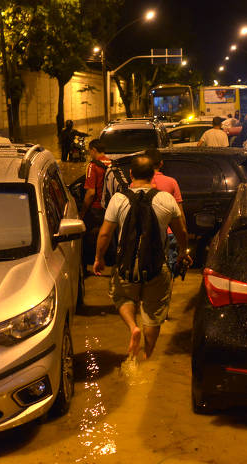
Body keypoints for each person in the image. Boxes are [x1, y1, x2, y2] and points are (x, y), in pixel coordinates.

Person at [93, 156, 192, 359]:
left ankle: (132, 327)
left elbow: (105, 234)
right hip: (158, 266)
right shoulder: (166, 199)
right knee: (153, 315)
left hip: (126, 266)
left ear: (131, 174)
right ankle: (147, 356)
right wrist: (183, 251)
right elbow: (181, 231)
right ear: (153, 174)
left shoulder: (119, 199)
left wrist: (98, 258)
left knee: (122, 296)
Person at [143, 148, 184, 274]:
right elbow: (179, 212)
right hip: (169, 231)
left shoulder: (139, 183)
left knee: (148, 267)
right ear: (161, 163)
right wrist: (183, 234)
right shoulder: (171, 182)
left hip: (146, 231)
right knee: (169, 266)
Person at [80, 139, 111, 270]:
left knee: (89, 236)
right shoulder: (111, 164)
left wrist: (82, 212)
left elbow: (91, 192)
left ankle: (92, 262)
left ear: (93, 150)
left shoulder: (93, 166)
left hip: (96, 208)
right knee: (107, 233)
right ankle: (108, 259)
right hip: (109, 207)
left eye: (89, 151)